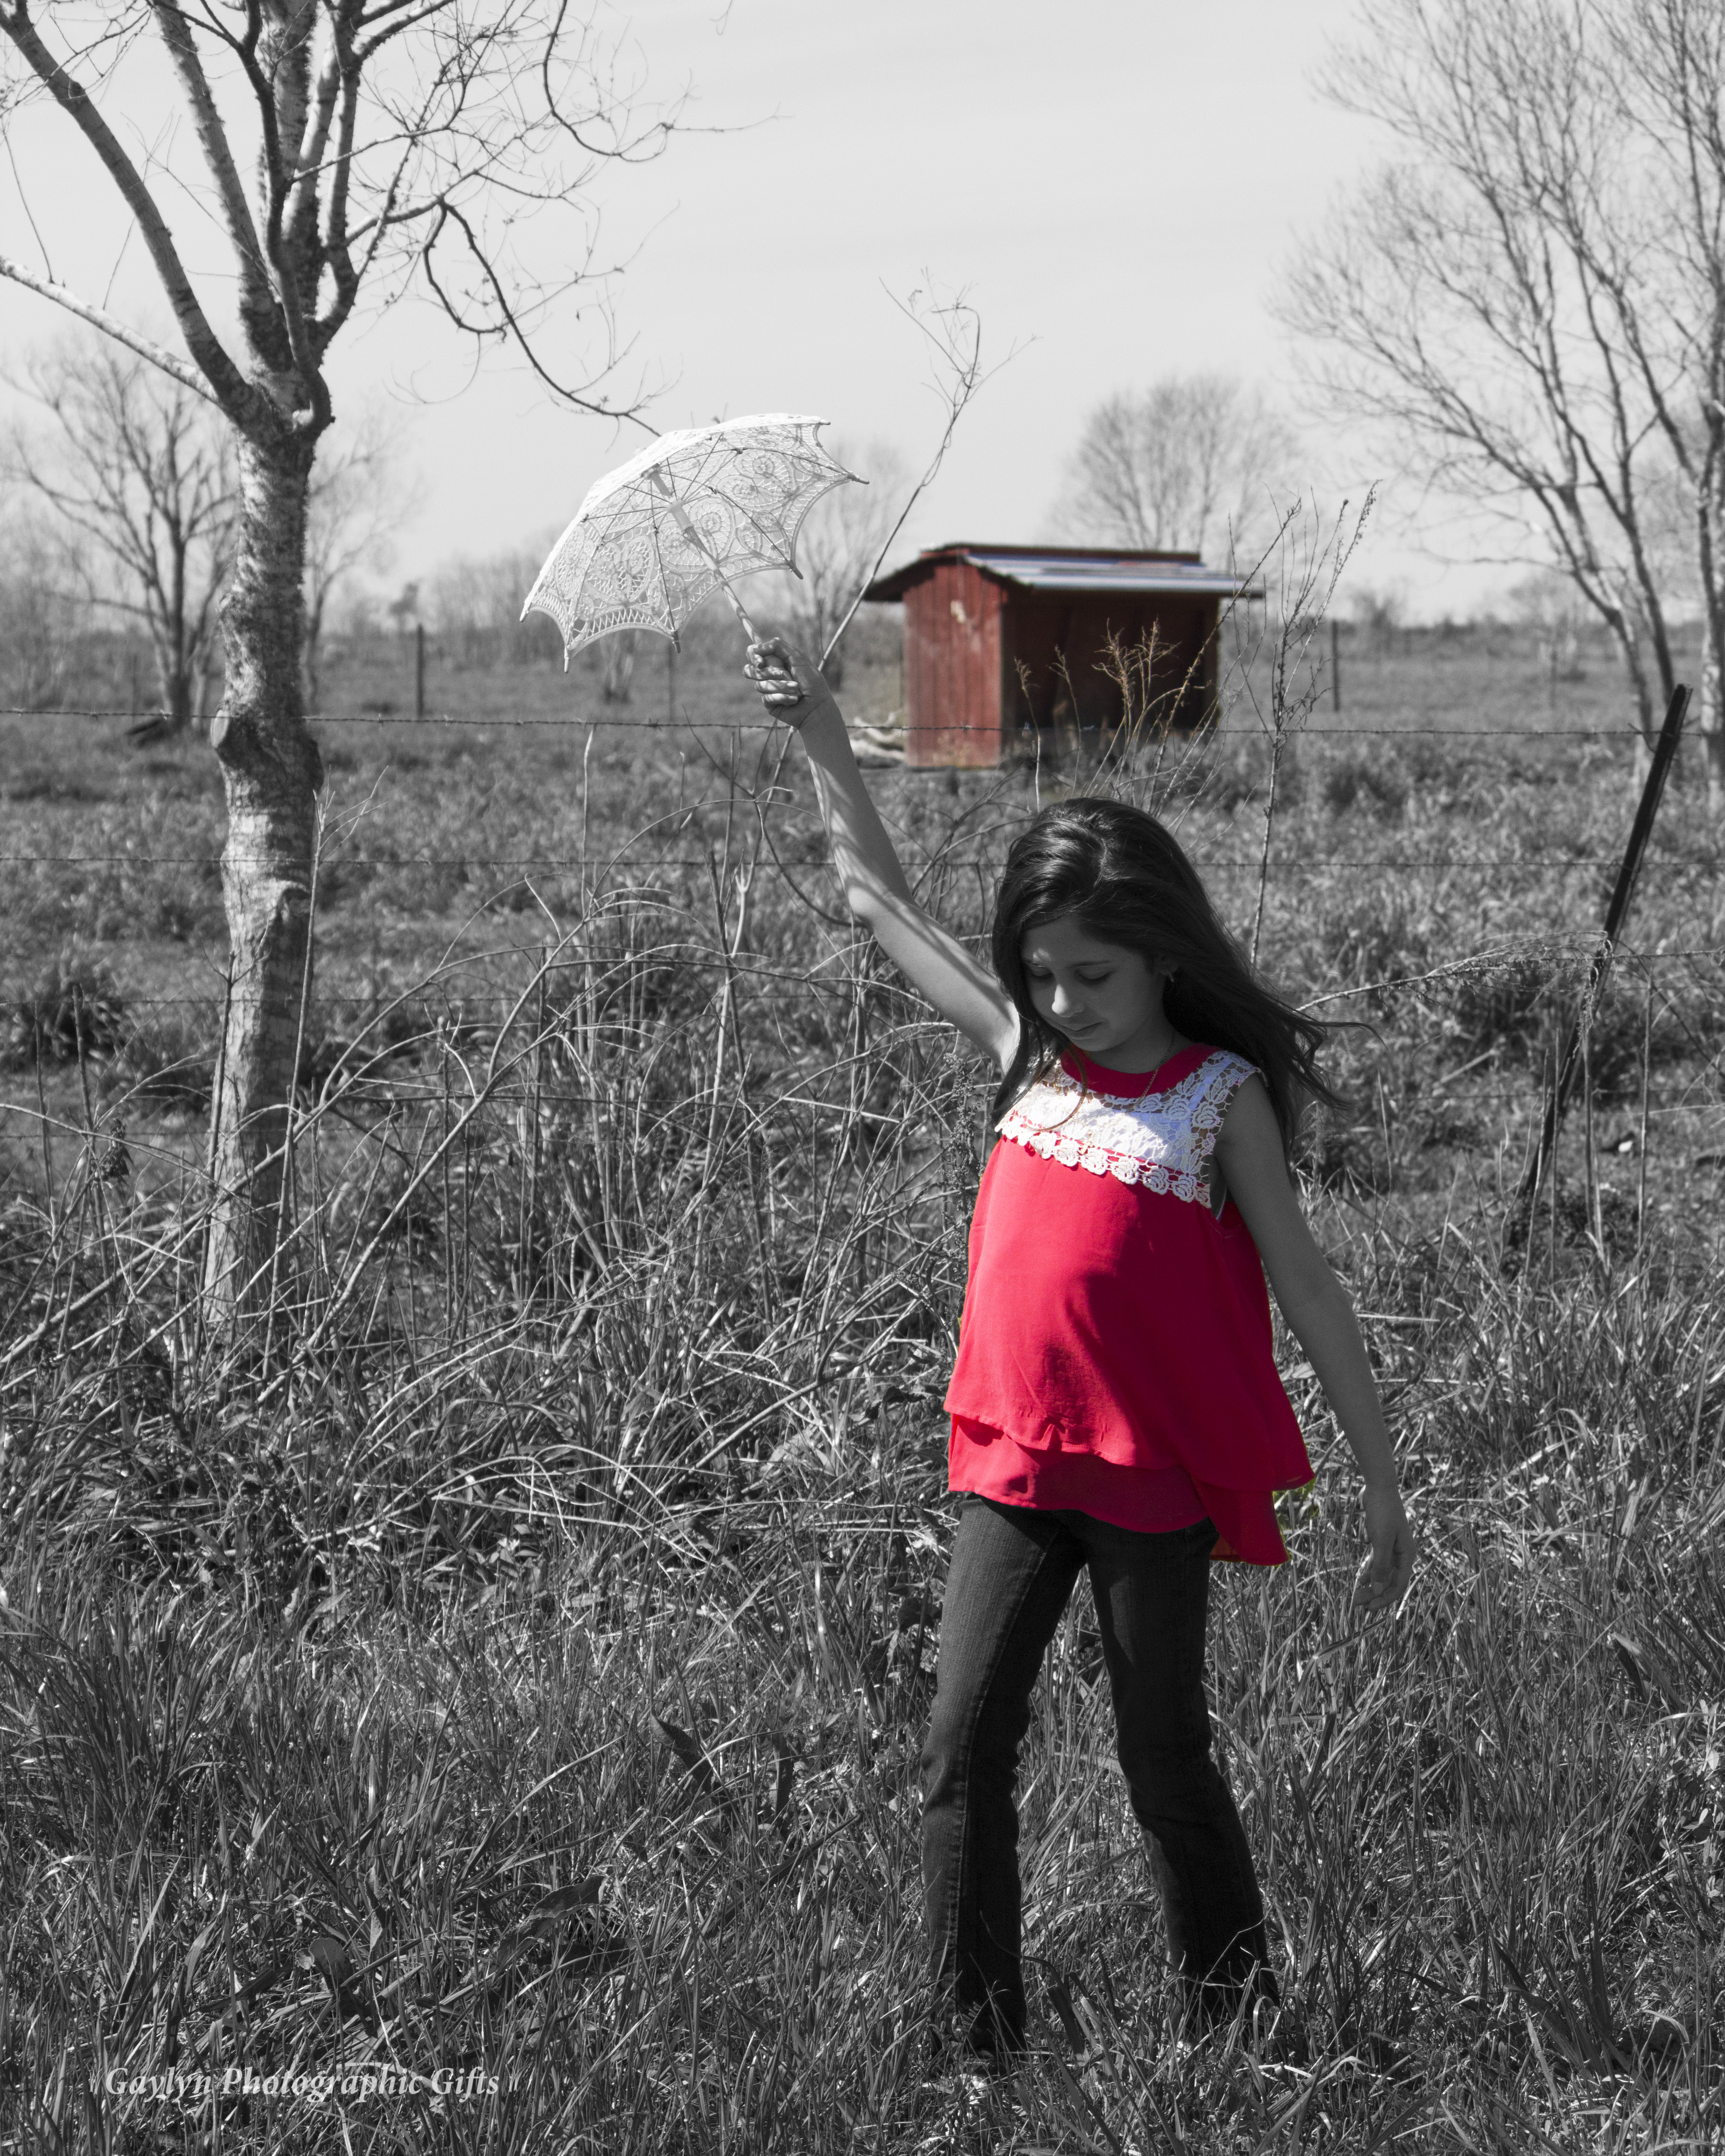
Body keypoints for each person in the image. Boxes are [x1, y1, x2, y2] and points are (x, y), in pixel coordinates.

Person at [745, 637, 1416, 2067]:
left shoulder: (1217, 1096)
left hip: (1150, 1481)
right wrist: (819, 732)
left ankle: (1239, 2031)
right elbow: (878, 905)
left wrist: (1380, 1482)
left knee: (1162, 1760)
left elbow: (1307, 1285)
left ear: (1165, 954)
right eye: (1041, 974)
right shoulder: (1027, 1058)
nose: (1063, 1001)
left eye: (1092, 974)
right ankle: (973, 2052)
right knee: (957, 1751)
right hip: (1013, 1462)